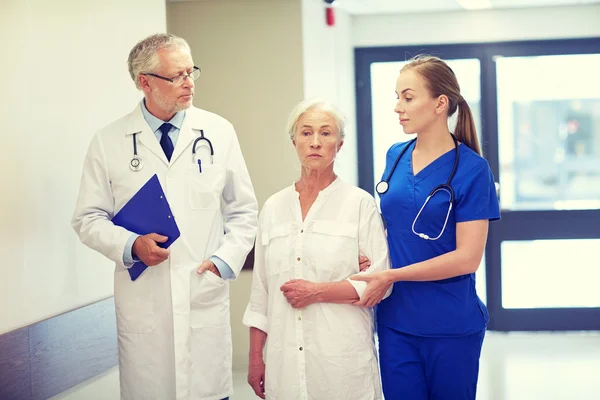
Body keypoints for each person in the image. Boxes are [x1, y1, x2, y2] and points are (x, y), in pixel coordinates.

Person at [71, 33, 258, 400]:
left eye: (191, 72)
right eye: (177, 76)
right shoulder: (109, 141)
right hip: (145, 301)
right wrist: (130, 244)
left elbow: (244, 209)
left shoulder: (218, 132)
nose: (189, 83)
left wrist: (224, 260)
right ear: (145, 82)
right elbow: (87, 218)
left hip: (202, 292)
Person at [351, 55, 501, 400]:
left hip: (450, 323)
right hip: (395, 321)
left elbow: (467, 259)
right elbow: (391, 228)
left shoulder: (473, 170)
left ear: (440, 104)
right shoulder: (396, 155)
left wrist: (393, 275)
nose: (397, 107)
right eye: (397, 97)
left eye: (407, 97)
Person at [243, 99, 391, 400]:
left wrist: (317, 291)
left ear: (340, 143)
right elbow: (261, 293)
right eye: (306, 132)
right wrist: (256, 358)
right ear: (293, 141)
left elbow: (379, 283)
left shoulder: (360, 204)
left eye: (326, 133)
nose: (315, 142)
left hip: (341, 362)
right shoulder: (273, 208)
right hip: (285, 364)